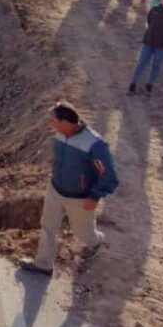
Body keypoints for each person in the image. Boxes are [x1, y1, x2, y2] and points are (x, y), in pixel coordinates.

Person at [21, 102, 119, 275]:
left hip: (79, 197)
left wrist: (94, 197)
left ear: (66, 123)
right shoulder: (60, 134)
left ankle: (96, 242)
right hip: (55, 189)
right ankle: (43, 264)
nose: (51, 123)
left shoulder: (94, 145)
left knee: (83, 233)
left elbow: (110, 177)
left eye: (54, 120)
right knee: (48, 226)